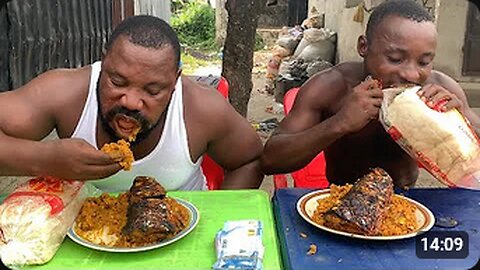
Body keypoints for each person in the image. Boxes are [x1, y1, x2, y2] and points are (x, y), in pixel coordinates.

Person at [0, 15, 263, 191]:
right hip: (85, 238)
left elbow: (250, 160)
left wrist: (216, 218)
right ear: (104, 64)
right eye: (117, 81)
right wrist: (45, 158)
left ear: (175, 81)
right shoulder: (63, 92)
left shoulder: (203, 108)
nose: (131, 102)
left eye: (153, 90)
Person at [261, 0, 480, 188]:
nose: (412, 74)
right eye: (395, 58)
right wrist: (340, 123)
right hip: (340, 200)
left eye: (424, 62)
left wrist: (462, 120)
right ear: (363, 47)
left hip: (406, 202)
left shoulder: (440, 88)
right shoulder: (331, 87)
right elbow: (271, 159)